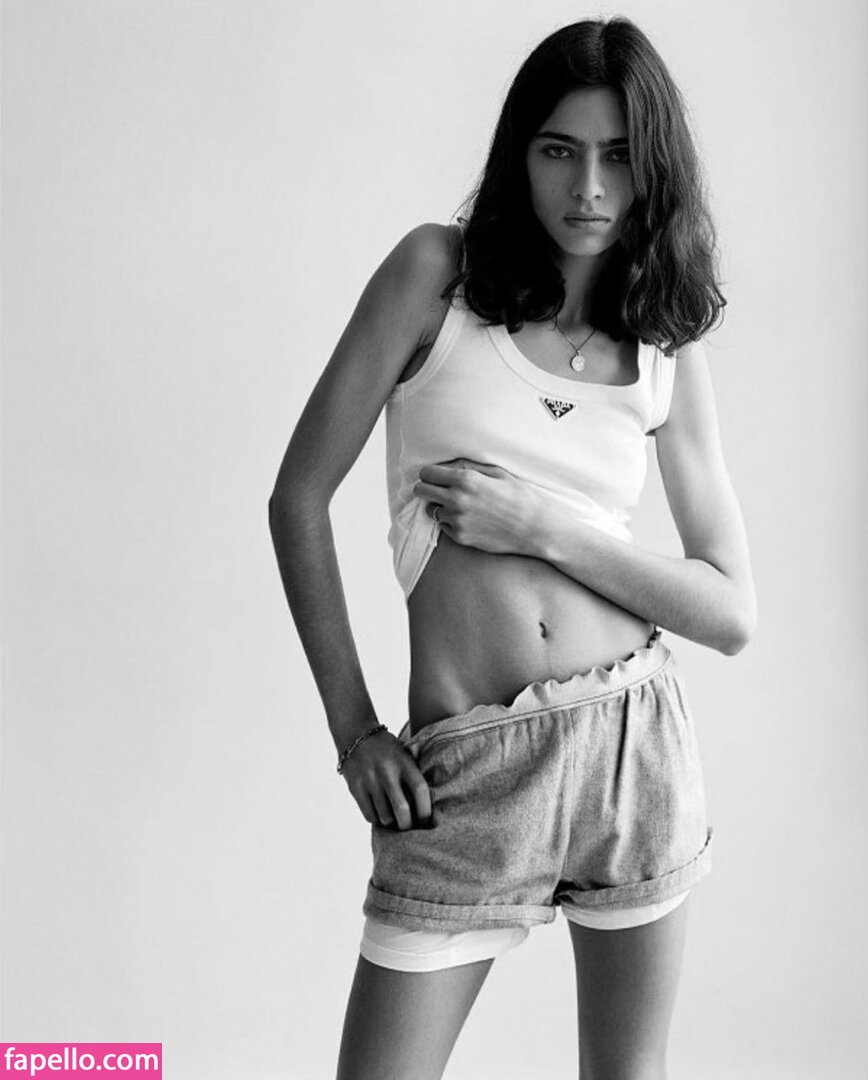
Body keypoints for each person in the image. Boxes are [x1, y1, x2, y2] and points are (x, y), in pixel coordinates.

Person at [268, 16, 756, 1080]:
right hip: (466, 772)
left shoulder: (663, 342)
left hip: (632, 750)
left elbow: (730, 612)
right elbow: (297, 499)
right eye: (558, 150)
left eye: (619, 155)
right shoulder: (435, 278)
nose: (589, 188)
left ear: (655, 168)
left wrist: (548, 529)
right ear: (518, 154)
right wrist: (354, 732)